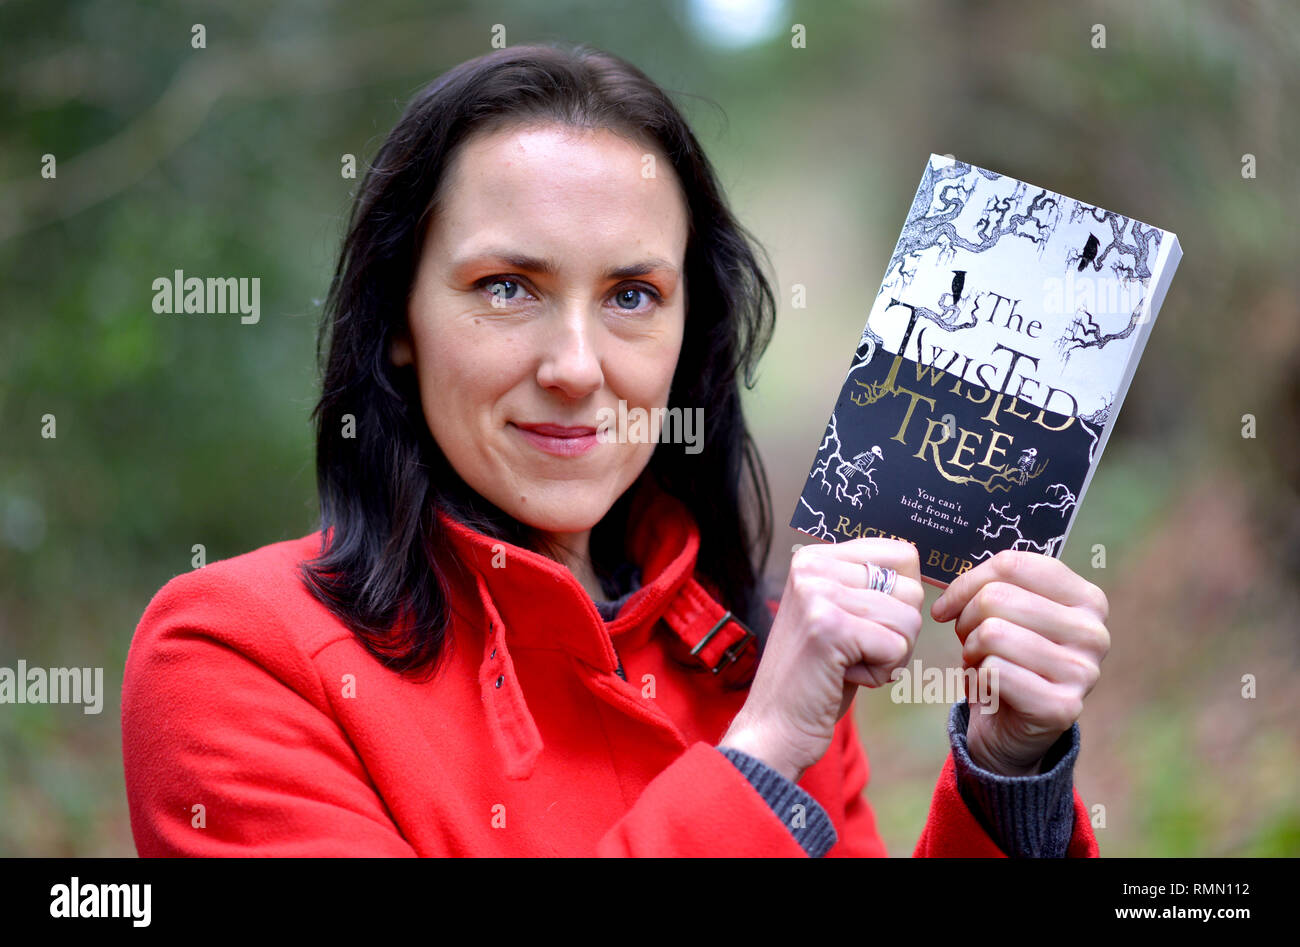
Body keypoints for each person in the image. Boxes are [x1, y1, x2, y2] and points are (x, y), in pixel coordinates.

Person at [121, 42, 1109, 857]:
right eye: (507, 285)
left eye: (632, 296)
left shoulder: (759, 650)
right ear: (399, 317)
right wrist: (756, 761)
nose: (575, 366)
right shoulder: (236, 655)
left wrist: (1009, 775)